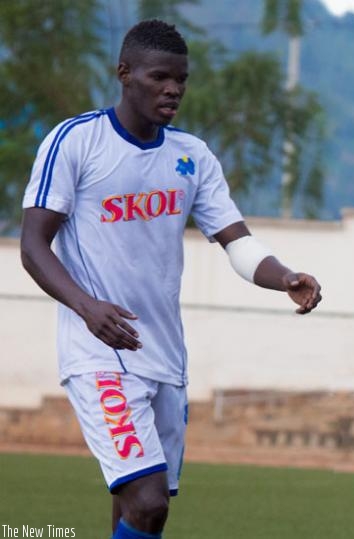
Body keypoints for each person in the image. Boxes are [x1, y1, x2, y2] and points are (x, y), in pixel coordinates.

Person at [19, 19, 322, 539]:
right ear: (124, 74)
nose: (173, 89)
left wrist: (286, 276)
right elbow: (32, 246)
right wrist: (89, 308)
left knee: (139, 509)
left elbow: (237, 241)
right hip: (99, 354)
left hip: (165, 357)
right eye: (160, 77)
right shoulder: (75, 142)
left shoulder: (191, 156)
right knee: (148, 501)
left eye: (180, 79)